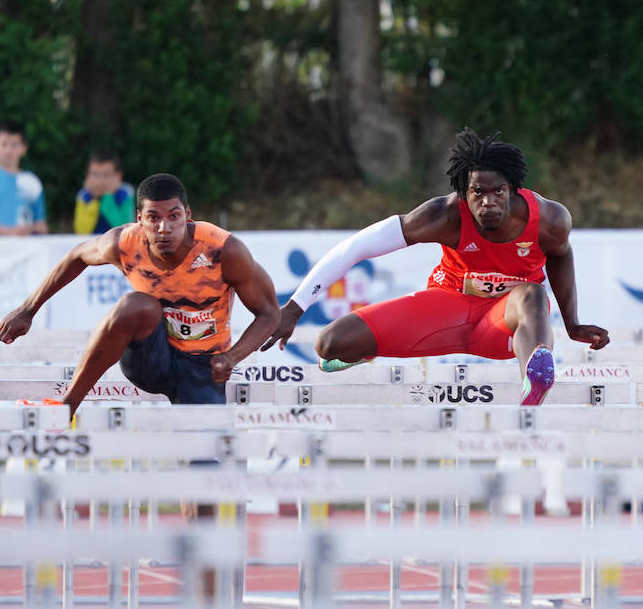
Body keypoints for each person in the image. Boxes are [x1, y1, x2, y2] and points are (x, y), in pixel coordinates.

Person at [0, 172, 280, 609]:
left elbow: (270, 312)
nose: (165, 227)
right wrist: (29, 309)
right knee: (136, 307)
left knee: (207, 499)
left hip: (202, 370)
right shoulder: (122, 242)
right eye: (154, 218)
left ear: (188, 215)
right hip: (152, 359)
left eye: (174, 216)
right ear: (140, 220)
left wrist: (234, 357)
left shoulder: (224, 251)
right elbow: (76, 258)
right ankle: (67, 406)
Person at [260, 129, 610, 403]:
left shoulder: (549, 218)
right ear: (463, 192)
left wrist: (572, 322)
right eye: (477, 193)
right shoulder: (443, 215)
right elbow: (357, 247)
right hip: (447, 309)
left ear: (513, 190)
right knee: (328, 343)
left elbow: (561, 256)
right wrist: (293, 308)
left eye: (498, 192)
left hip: (503, 323)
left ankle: (533, 384)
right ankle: (362, 352)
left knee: (531, 293)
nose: (488, 203)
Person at [73, 150, 135, 235]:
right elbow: (81, 231)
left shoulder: (125, 193)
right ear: (87, 176)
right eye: (95, 174)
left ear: (118, 176)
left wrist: (108, 197)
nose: (100, 180)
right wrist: (95, 199)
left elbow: (125, 229)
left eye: (106, 175)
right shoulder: (83, 196)